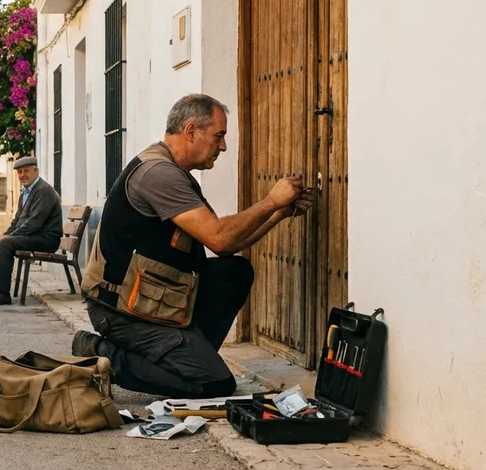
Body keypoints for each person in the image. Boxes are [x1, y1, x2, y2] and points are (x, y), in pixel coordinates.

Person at [71, 94, 315, 398]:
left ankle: (190, 359)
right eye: (219, 136)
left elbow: (225, 247)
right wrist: (270, 201)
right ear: (191, 131)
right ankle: (103, 354)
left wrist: (279, 213)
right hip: (121, 310)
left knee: (233, 272)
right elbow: (220, 237)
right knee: (215, 384)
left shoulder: (176, 173)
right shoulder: (158, 174)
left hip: (153, 299)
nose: (223, 146)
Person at [0, 157, 63, 306]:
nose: (22, 175)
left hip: (46, 239)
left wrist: (9, 238)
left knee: (5, 243)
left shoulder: (43, 191)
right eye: (20, 172)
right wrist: (6, 234)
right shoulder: (26, 193)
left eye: (26, 171)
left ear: (36, 171)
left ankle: (3, 294)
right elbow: (17, 221)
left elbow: (34, 223)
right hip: (33, 236)